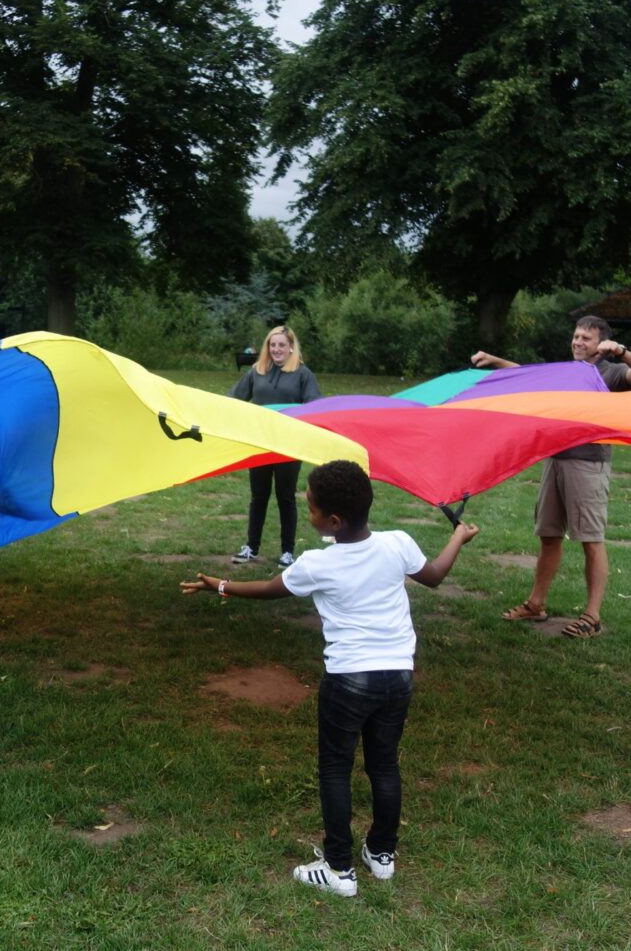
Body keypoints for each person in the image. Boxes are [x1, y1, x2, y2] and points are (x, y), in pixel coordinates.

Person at [181, 459, 479, 897]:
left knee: (336, 769)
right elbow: (434, 576)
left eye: (311, 507)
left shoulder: (317, 563)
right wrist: (458, 537)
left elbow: (268, 590)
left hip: (348, 682)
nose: (309, 513)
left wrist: (220, 586)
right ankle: (382, 854)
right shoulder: (397, 543)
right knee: (384, 764)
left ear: (333, 521)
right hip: (398, 676)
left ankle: (339, 869)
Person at [471, 315, 631, 637]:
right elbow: (531, 376)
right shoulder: (569, 371)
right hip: (555, 460)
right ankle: (536, 604)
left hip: (588, 465)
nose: (577, 342)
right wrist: (495, 360)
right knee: (549, 535)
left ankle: (592, 617)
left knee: (591, 540)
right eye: (576, 336)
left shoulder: (611, 372)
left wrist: (623, 352)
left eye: (586, 338)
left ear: (601, 343)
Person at [229, 325, 322, 568]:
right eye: (272, 345)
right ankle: (251, 547)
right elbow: (233, 399)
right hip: (261, 443)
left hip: (288, 445)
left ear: (291, 347)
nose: (276, 349)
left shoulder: (303, 374)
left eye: (282, 345)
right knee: (258, 496)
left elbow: (315, 406)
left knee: (285, 497)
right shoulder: (257, 372)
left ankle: (287, 552)